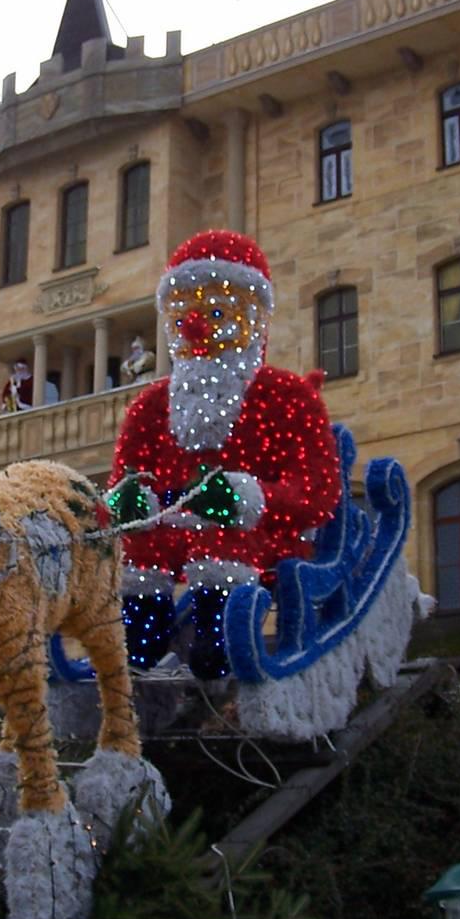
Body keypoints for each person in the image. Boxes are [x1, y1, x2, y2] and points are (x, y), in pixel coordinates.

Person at [108, 231, 342, 678]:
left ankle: (217, 657)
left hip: (266, 538)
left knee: (220, 539)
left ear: (254, 319)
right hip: (174, 535)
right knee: (136, 550)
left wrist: (248, 498)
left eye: (216, 313)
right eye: (183, 317)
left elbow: (317, 490)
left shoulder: (286, 395)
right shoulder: (150, 407)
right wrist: (128, 501)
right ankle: (140, 660)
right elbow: (125, 479)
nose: (196, 328)